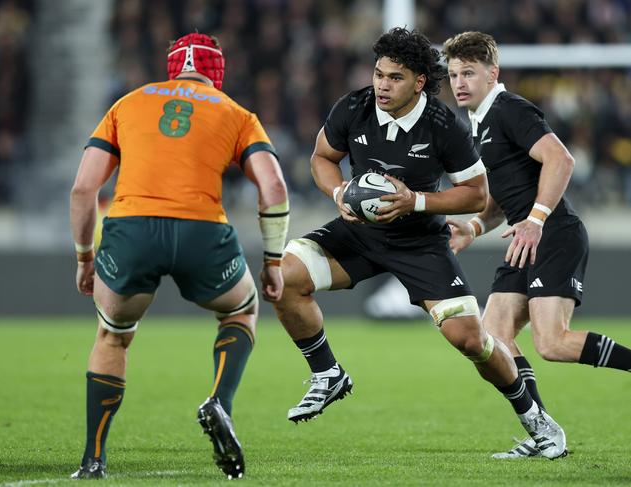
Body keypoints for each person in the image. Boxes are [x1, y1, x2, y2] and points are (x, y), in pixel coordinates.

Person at [272, 27, 566, 459]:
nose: (381, 85)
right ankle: (327, 372)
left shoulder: (444, 124)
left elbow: (477, 195)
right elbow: (322, 158)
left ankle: (538, 421)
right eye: (378, 74)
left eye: (394, 78)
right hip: (359, 233)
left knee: (472, 341)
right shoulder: (354, 106)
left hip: (420, 244)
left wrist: (416, 201)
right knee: (284, 277)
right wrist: (338, 194)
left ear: (419, 82)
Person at [69, 32, 289, 479]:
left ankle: (93, 459)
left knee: (113, 335)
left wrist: (84, 258)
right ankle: (219, 403)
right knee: (242, 312)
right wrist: (273, 260)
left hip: (131, 231)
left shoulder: (126, 104)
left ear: (173, 68)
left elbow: (83, 189)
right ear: (217, 72)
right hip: (201, 232)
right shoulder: (237, 113)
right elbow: (274, 187)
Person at [442, 31, 631, 458]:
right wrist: (473, 226)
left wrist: (536, 219)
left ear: (493, 74)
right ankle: (545, 433)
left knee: (552, 344)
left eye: (469, 72)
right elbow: (502, 198)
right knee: (493, 337)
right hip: (525, 236)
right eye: (453, 74)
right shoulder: (478, 122)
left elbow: (561, 159)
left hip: (553, 233)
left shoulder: (510, 108)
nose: (459, 82)